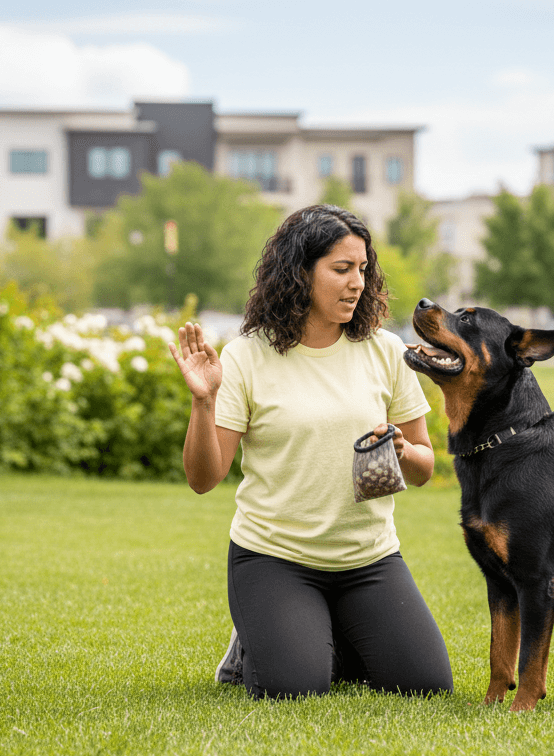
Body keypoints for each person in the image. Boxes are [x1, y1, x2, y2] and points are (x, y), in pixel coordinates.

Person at [169, 204, 453, 700]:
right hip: (275, 558)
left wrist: (404, 451)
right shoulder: (248, 356)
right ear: (300, 273)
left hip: (369, 559)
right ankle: (256, 644)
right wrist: (203, 400)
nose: (357, 283)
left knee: (425, 686)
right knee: (294, 690)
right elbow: (203, 478)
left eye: (363, 270)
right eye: (341, 269)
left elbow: (426, 467)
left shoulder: (385, 351)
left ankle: (321, 635)